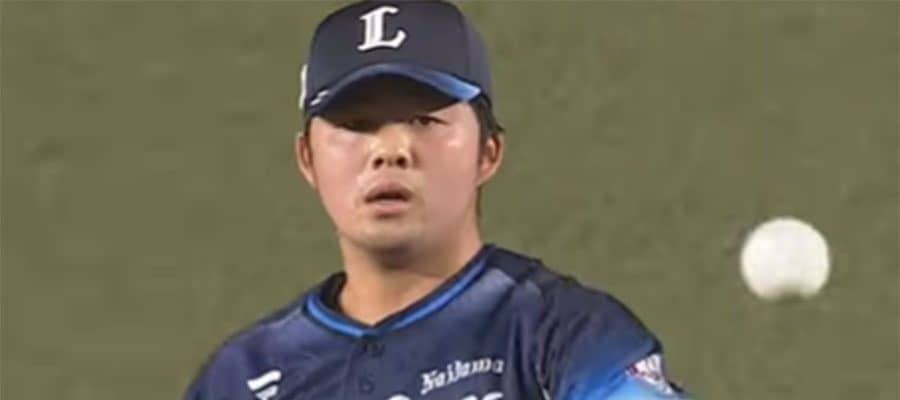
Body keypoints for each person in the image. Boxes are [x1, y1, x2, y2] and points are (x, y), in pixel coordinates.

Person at [186, 1, 688, 399]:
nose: (390, 150)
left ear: (487, 153)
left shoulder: (564, 337)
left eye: (424, 120)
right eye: (356, 125)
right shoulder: (240, 377)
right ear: (307, 159)